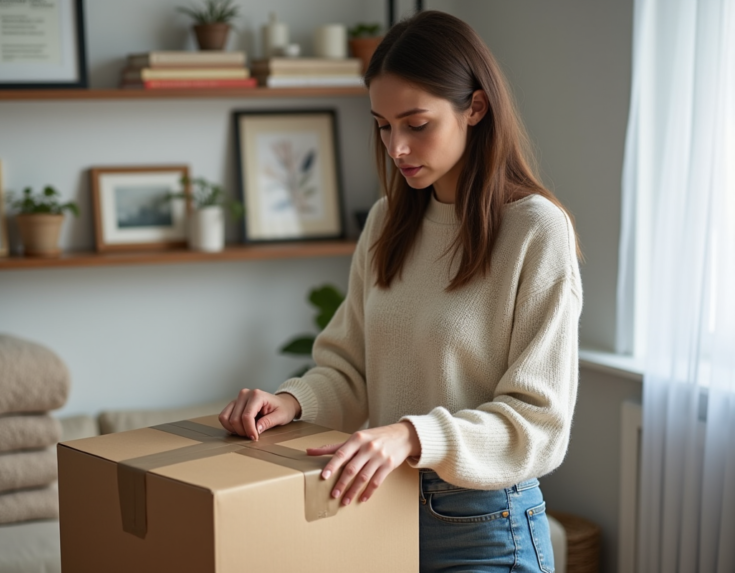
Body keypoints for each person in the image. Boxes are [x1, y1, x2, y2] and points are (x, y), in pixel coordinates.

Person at [219, 10, 582, 572]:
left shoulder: (535, 229)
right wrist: (291, 403)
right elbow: (351, 370)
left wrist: (412, 436)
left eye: (416, 124)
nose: (397, 148)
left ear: (475, 108)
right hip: (383, 510)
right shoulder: (387, 222)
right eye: (383, 126)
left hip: (487, 527)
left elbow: (540, 422)